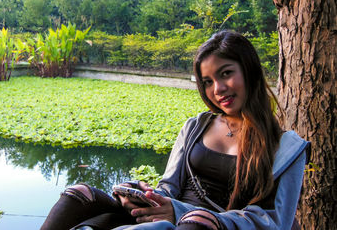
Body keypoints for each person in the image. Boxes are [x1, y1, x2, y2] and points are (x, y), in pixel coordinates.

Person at [40, 30, 310, 230]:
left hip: (207, 227)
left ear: (249, 71)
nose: (218, 89)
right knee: (79, 195)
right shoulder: (195, 126)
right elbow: (169, 188)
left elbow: (275, 221)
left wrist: (181, 212)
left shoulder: (287, 147)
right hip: (165, 218)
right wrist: (146, 196)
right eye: (207, 81)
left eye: (226, 73)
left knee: (192, 224)